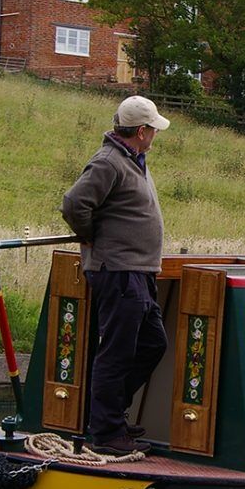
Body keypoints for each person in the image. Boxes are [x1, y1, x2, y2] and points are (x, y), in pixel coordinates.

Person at [61, 95, 171, 455]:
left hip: (136, 271)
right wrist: (90, 236)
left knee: (153, 343)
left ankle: (107, 415)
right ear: (141, 131)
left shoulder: (133, 159)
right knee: (116, 354)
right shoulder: (109, 161)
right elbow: (76, 204)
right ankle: (106, 432)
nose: (155, 135)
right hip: (119, 271)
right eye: (153, 129)